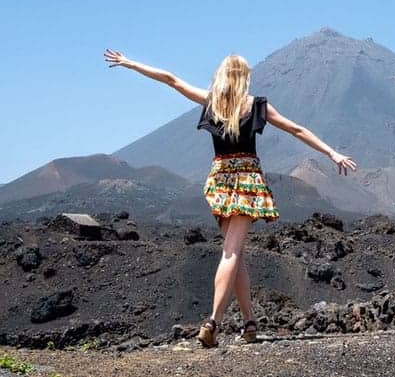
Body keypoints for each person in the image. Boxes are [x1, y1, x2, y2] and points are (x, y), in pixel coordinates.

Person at [103, 49, 358, 347]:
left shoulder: (212, 101)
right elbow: (296, 129)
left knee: (235, 253)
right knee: (231, 253)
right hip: (246, 181)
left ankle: (250, 322)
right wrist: (332, 152)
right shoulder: (255, 105)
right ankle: (213, 321)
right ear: (244, 78)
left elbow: (171, 80)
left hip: (219, 180)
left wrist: (131, 63)